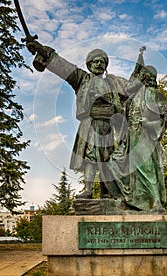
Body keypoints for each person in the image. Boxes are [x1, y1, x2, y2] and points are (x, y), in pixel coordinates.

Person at [26, 40, 130, 199]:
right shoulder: (82, 79)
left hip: (107, 126)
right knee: (90, 158)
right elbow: (62, 66)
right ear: (90, 64)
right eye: (96, 61)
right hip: (90, 123)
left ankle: (107, 192)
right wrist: (42, 50)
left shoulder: (113, 83)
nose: (99, 64)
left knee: (107, 159)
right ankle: (88, 190)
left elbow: (132, 89)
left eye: (102, 62)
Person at [106, 49, 167, 213]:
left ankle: (156, 204)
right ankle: (129, 199)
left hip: (145, 135)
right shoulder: (133, 95)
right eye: (140, 75)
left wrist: (148, 123)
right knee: (114, 162)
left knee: (147, 169)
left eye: (144, 75)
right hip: (130, 136)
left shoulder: (154, 93)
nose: (140, 77)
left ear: (149, 77)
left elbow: (164, 117)